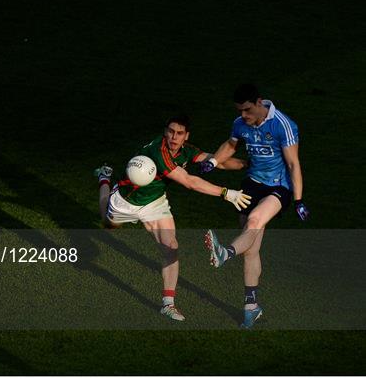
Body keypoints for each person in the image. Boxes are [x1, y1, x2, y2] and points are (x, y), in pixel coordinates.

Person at [94, 115, 251, 321]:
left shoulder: (187, 150)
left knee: (171, 246)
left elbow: (218, 162)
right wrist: (226, 193)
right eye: (170, 131)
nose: (173, 137)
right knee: (108, 224)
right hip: (127, 200)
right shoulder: (158, 151)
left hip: (155, 203)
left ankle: (168, 304)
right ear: (165, 131)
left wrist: (250, 164)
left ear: (186, 135)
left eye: (179, 133)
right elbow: (188, 182)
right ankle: (104, 178)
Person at [199, 83, 310, 328]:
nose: (244, 116)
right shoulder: (240, 123)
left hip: (278, 187)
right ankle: (251, 306)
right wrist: (214, 161)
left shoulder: (283, 125)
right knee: (250, 248)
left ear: (259, 103)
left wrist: (299, 200)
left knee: (254, 221)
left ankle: (224, 253)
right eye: (240, 111)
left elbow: (293, 164)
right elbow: (231, 145)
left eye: (248, 110)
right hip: (252, 184)